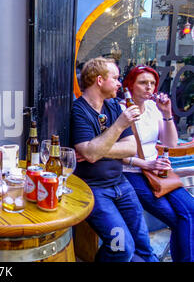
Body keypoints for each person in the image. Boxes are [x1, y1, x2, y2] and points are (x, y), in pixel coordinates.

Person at [71, 57, 159, 262]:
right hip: (95, 190)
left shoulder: (113, 107)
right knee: (121, 248)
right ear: (99, 80)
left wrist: (96, 148)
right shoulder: (79, 111)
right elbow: (90, 154)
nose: (120, 83)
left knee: (144, 247)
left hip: (122, 184)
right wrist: (119, 125)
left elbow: (130, 148)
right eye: (116, 78)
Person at [121, 65, 194, 262]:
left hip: (158, 172)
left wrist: (167, 113)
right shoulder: (121, 109)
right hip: (132, 172)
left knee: (190, 210)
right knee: (177, 218)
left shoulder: (154, 108)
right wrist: (145, 165)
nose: (149, 87)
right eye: (143, 83)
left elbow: (170, 142)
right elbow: (113, 152)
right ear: (130, 85)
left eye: (152, 83)